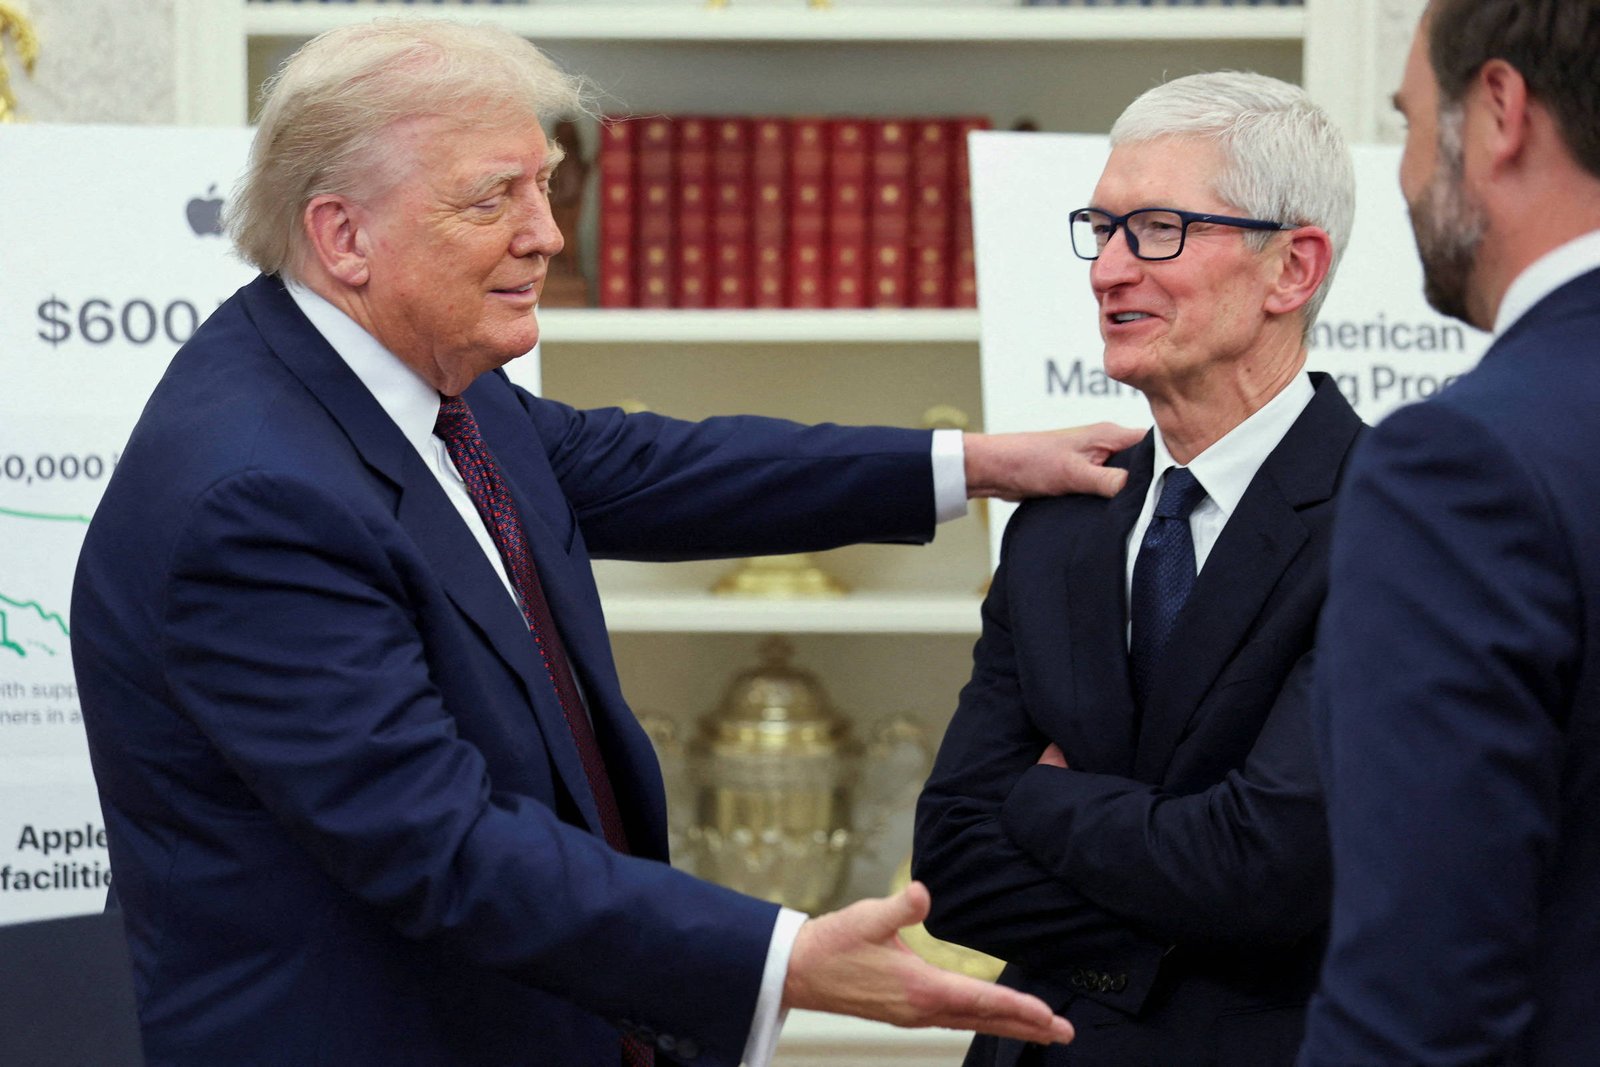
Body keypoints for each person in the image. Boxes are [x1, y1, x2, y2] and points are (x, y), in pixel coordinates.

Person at [66, 19, 1141, 1067]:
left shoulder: (412, 375)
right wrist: (781, 961)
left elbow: (647, 467)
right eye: (493, 198)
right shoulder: (258, 500)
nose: (546, 232)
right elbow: (440, 842)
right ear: (344, 235)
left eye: (542, 184)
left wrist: (975, 462)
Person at [913, 71, 1361, 1067]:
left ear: (1292, 268)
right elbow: (950, 857)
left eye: (1158, 229)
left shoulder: (1387, 522)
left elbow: (1267, 871)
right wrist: (1167, 912)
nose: (1109, 270)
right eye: (1102, 229)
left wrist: (1042, 801)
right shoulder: (1061, 523)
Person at [1298, 3, 1600, 1064]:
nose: (1405, 170)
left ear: (1501, 111)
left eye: (1411, 122)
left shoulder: (1460, 466)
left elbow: (1419, 1003)